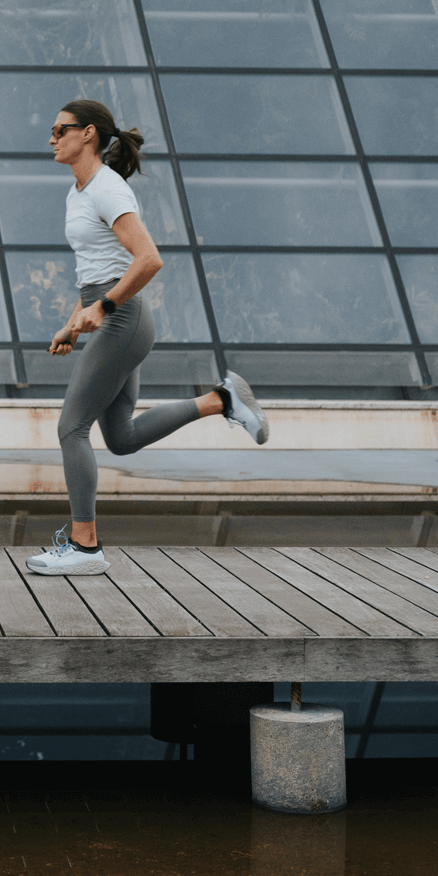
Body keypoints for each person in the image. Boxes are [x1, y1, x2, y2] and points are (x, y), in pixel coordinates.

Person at [25, 98, 268, 577]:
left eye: (60, 130)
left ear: (88, 133)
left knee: (71, 427)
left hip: (124, 320)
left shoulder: (107, 189)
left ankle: (85, 546)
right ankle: (221, 400)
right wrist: (74, 320)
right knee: (122, 437)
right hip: (114, 318)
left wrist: (104, 307)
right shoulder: (79, 192)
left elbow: (148, 259)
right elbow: (96, 272)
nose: (51, 138)